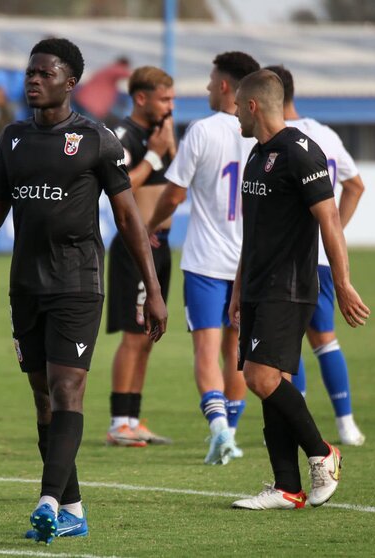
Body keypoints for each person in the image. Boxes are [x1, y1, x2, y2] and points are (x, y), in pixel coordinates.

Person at [0, 38, 167, 544]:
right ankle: (73, 508)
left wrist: (154, 287)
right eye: (29, 72)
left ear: (69, 82)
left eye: (44, 73)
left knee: (67, 388)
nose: (33, 79)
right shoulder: (12, 139)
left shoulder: (98, 140)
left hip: (78, 283)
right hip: (25, 286)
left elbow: (128, 218)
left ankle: (48, 501)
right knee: (43, 399)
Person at [229, 70, 370, 510]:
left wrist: (342, 283)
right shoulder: (256, 155)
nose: (234, 112)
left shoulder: (300, 153)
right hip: (256, 284)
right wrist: (237, 287)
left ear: (253, 105)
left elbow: (329, 219)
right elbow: (253, 232)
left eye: (237, 105)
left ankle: (323, 453)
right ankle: (286, 487)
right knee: (275, 380)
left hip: (288, 286)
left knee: (260, 377)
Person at [145, 52, 260, 465]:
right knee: (238, 352)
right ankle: (230, 432)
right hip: (250, 262)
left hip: (207, 262)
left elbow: (174, 194)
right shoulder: (262, 132)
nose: (209, 88)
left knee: (206, 352)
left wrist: (148, 226)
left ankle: (220, 433)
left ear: (227, 86)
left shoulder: (202, 130)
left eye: (212, 82)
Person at [265, 65, 367, 446]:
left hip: (286, 258)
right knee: (325, 339)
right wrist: (332, 231)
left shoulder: (273, 137)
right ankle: (346, 423)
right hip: (322, 259)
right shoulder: (325, 133)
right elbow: (355, 185)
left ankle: (297, 422)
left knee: (289, 342)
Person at [105, 66, 176, 447]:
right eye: (165, 98)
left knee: (148, 336)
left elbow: (178, 177)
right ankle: (119, 422)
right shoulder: (123, 136)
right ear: (141, 98)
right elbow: (121, 184)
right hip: (136, 247)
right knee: (133, 337)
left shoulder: (158, 134)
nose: (171, 105)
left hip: (161, 245)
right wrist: (154, 154)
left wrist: (167, 144)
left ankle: (133, 417)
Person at [72, 56, 131, 126]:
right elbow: (124, 72)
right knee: (89, 129)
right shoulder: (114, 69)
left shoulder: (106, 71)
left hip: (83, 100)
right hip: (91, 105)